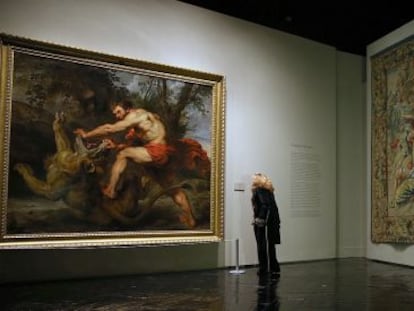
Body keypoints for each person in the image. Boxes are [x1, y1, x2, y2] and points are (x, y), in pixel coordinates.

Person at [73, 99, 197, 228]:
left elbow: (110, 129)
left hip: (156, 152)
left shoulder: (136, 116)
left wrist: (87, 135)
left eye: (118, 111)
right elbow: (139, 143)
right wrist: (116, 145)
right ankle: (190, 218)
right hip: (160, 155)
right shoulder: (144, 119)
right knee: (173, 190)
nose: (116, 115)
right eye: (115, 113)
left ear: (127, 109)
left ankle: (111, 190)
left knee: (123, 154)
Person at [251, 173, 281, 276]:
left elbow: (264, 205)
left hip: (264, 223)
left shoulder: (259, 190)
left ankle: (263, 269)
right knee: (270, 245)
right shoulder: (269, 191)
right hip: (272, 222)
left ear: (258, 180)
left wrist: (259, 219)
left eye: (254, 178)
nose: (252, 180)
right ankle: (274, 267)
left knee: (262, 245)